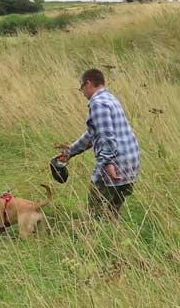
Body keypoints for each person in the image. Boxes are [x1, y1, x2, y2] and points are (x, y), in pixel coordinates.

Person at [56, 69, 140, 218]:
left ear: (88, 83)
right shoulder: (110, 98)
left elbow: (106, 135)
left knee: (94, 212)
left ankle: (93, 236)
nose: (82, 92)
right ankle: (115, 237)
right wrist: (70, 152)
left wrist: (107, 163)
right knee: (113, 212)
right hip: (130, 161)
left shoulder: (97, 103)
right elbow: (92, 134)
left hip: (115, 163)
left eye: (81, 87)